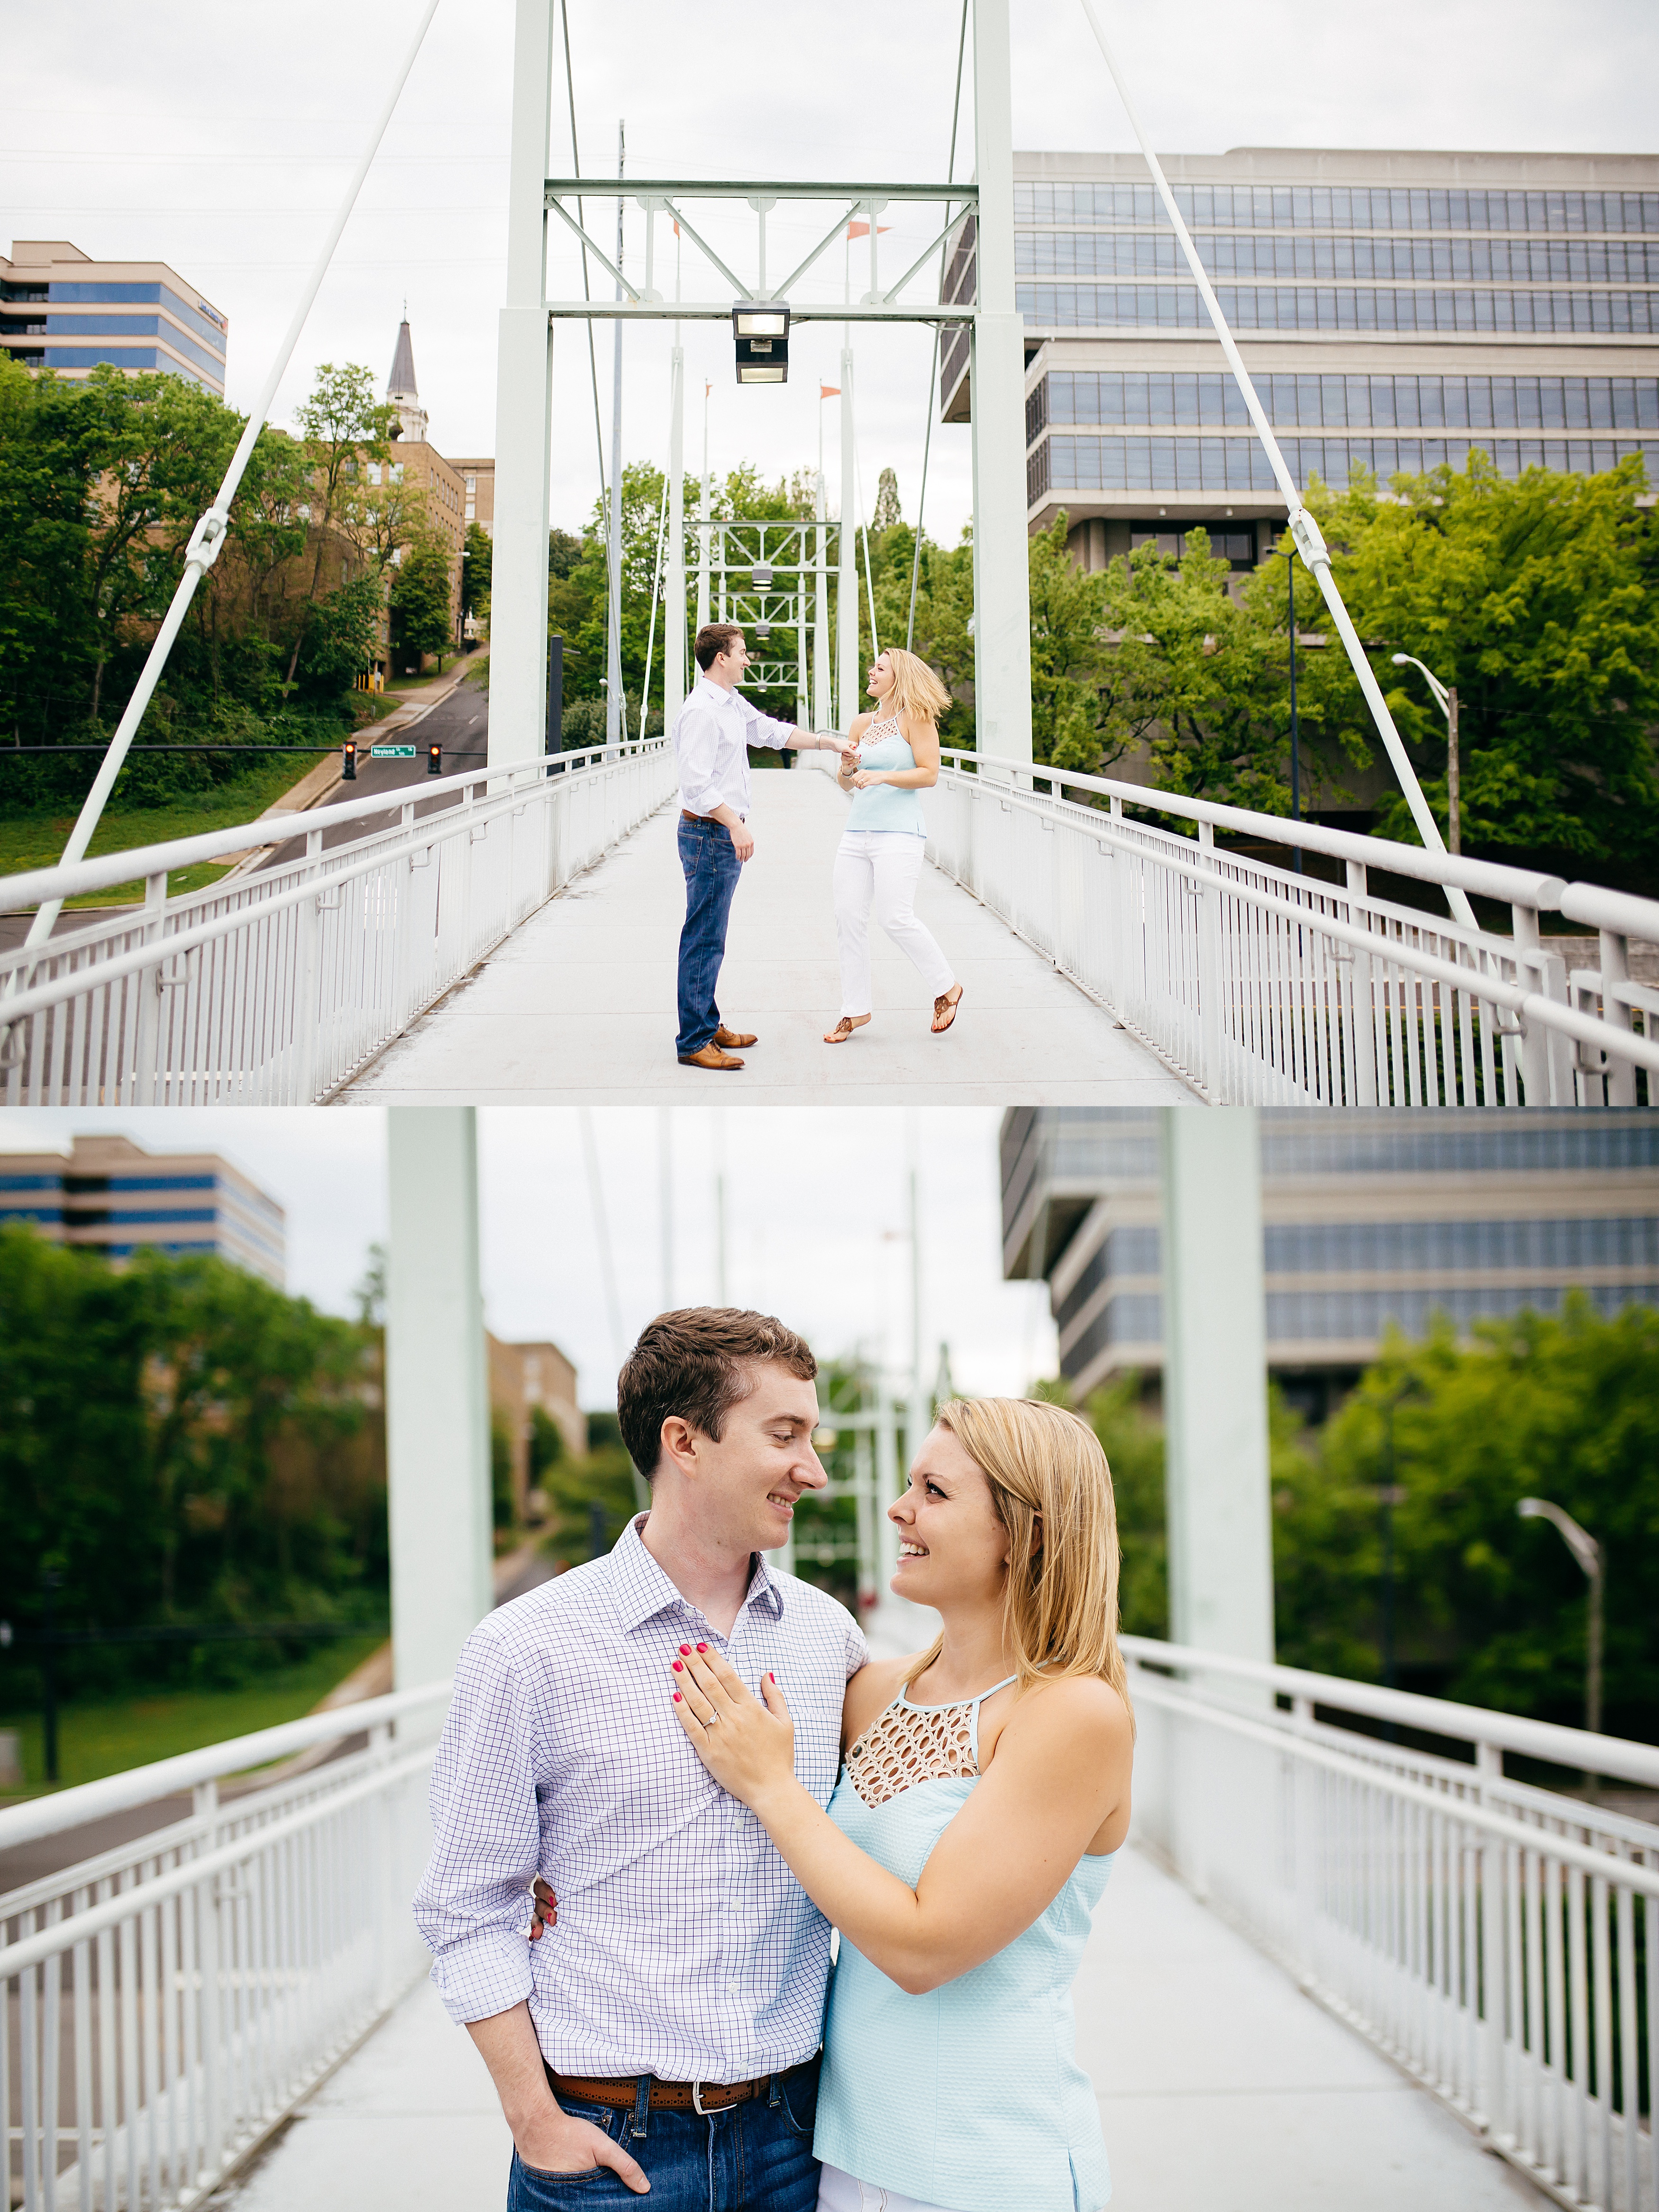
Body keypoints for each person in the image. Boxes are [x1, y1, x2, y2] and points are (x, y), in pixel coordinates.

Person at [411, 1307, 869, 2212]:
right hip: (611, 2153)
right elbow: (465, 1906)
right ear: (684, 1441)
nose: (811, 1470)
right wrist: (535, 2123)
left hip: (800, 2137)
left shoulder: (830, 1638)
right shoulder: (525, 1648)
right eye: (785, 1435)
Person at [653, 1396, 1134, 2212]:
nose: (897, 1507)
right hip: (841, 2158)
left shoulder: (1072, 1713)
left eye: (935, 1492)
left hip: (990, 2171)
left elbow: (922, 1948)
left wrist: (770, 1783)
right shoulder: (873, 1691)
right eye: (909, 1482)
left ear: (1030, 1530)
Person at [673, 624, 854, 1072]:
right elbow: (695, 785)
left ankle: (707, 1023)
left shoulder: (729, 703)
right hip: (710, 833)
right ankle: (694, 1040)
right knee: (704, 937)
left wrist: (827, 743)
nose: (748, 659)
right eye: (742, 653)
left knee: (711, 934)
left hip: (717, 833)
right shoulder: (700, 711)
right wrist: (735, 824)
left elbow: (770, 732)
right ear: (721, 658)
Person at [825, 646, 963, 1046]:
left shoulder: (916, 718)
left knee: (895, 917)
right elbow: (846, 782)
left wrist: (883, 776)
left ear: (897, 678)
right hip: (857, 833)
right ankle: (854, 1009)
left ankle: (947, 987)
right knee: (848, 917)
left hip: (899, 833)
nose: (871, 671)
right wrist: (849, 770)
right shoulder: (861, 723)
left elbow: (930, 774)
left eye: (880, 667)